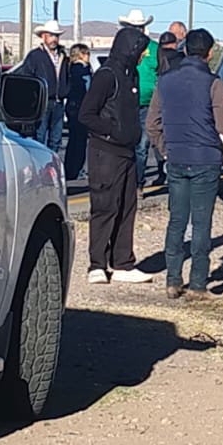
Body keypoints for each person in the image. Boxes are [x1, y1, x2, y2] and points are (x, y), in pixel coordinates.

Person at [146, 29, 223, 299]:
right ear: (209, 53)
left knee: (177, 220)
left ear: (184, 50)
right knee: (201, 223)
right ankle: (197, 284)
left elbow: (152, 124)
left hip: (177, 158)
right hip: (205, 158)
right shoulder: (212, 82)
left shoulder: (165, 81)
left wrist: (165, 149)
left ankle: (173, 279)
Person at [79, 26, 153, 284]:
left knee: (127, 207)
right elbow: (86, 114)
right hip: (105, 151)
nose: (144, 56)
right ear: (130, 49)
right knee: (104, 206)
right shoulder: (106, 75)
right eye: (141, 50)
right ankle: (96, 265)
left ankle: (122, 263)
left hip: (127, 152)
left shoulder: (130, 73)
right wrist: (112, 130)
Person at [119, 8, 161, 186]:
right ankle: (126, 182)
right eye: (132, 26)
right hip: (126, 103)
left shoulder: (154, 48)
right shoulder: (122, 48)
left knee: (141, 146)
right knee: (124, 145)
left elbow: (160, 73)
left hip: (148, 105)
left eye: (139, 26)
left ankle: (138, 183)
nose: (136, 29)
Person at [14, 20, 68, 151]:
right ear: (43, 36)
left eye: (56, 35)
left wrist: (66, 90)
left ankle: (51, 167)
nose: (54, 39)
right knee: (39, 138)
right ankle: (39, 168)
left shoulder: (63, 56)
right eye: (51, 35)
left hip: (59, 102)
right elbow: (26, 78)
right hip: (42, 103)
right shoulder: (35, 56)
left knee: (56, 140)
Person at [63, 43, 93, 180]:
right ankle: (77, 169)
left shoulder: (72, 68)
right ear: (80, 54)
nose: (88, 56)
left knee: (74, 139)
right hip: (80, 107)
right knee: (79, 140)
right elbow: (87, 89)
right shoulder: (81, 69)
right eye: (86, 53)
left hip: (73, 107)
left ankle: (71, 169)